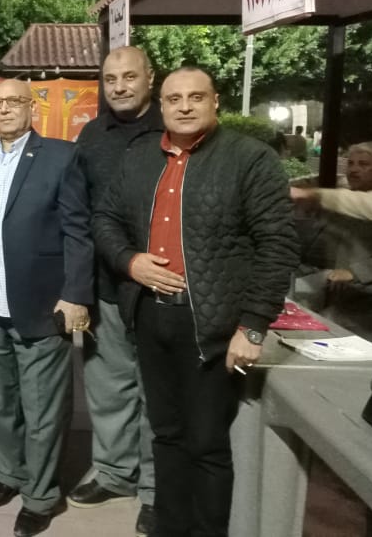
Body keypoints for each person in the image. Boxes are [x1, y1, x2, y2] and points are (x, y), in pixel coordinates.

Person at [92, 66, 298, 537]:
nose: (184, 107)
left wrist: (252, 326)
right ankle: (169, 526)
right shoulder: (141, 155)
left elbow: (278, 245)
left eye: (196, 97)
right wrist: (129, 261)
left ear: (215, 101)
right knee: (166, 435)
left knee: (206, 443)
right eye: (174, 99)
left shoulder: (249, 158)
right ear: (161, 105)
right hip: (149, 315)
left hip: (211, 323)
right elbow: (104, 217)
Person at [0, 79, 92, 537]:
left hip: (40, 302)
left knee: (42, 409)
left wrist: (75, 294)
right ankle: (11, 474)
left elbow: (78, 230)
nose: (5, 109)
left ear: (30, 107)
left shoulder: (60, 156)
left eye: (15, 101)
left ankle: (40, 495)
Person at [69, 46, 160, 535]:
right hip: (105, 285)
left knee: (157, 392)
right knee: (108, 390)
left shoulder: (173, 128)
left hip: (160, 287)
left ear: (150, 78)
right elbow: (77, 210)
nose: (120, 86)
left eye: (129, 76)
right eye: (110, 79)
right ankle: (114, 474)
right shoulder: (92, 135)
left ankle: (155, 488)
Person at [293, 142, 372, 324]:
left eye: (363, 164)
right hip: (334, 282)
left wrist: (354, 273)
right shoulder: (343, 199)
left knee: (325, 319)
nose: (354, 169)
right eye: (350, 163)